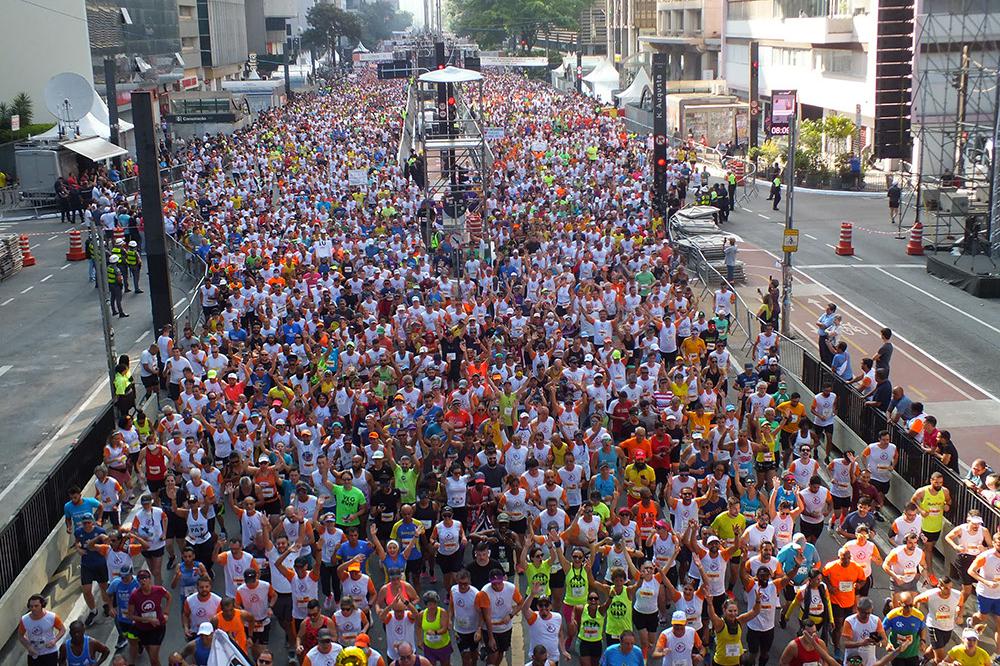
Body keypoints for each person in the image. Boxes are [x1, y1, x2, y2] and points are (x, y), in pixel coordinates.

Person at [19, 594, 67, 666]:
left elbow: (62, 629)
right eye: (31, 606)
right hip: (34, 654)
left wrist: (54, 640)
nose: (33, 608)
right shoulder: (24, 619)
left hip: (50, 652)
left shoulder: (52, 617)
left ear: (42, 605)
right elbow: (20, 636)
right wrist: (29, 646)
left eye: (36, 606)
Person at [882, 592, 925, 666]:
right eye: (906, 606)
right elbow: (881, 630)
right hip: (896, 654)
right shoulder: (892, 615)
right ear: (899, 604)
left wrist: (923, 641)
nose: (909, 609)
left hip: (912, 654)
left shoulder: (919, 615)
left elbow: (922, 628)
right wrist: (887, 644)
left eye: (911, 606)